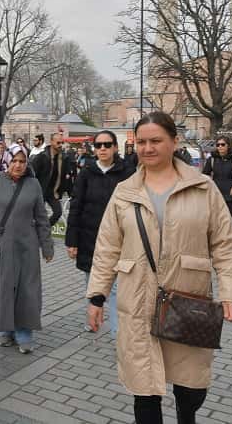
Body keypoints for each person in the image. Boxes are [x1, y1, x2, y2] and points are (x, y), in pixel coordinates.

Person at [86, 112, 232, 424]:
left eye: (155, 140)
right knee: (144, 390)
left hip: (187, 299)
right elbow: (107, 248)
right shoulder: (125, 191)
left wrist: (230, 293)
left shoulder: (202, 187)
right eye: (141, 142)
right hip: (138, 300)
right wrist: (97, 296)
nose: (147, 148)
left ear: (174, 141)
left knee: (191, 388)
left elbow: (225, 245)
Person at [0, 144, 53, 354]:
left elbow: (42, 218)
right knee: (2, 288)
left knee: (27, 289)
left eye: (22, 161)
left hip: (27, 246)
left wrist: (47, 246)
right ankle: (5, 329)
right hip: (0, 248)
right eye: (14, 161)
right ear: (6, 161)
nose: (18, 165)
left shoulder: (33, 184)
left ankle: (24, 331)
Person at [66, 130, 135, 335]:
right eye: (98, 145)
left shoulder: (128, 172)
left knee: (116, 288)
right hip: (90, 238)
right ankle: (94, 316)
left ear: (115, 147)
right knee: (93, 283)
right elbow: (76, 206)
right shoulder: (87, 172)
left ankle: (118, 333)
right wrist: (72, 240)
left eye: (107, 144)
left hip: (120, 239)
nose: (102, 149)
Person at [30, 133, 73, 227]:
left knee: (58, 212)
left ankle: (45, 229)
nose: (60, 145)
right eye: (58, 142)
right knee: (36, 215)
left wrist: (69, 192)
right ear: (52, 142)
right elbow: (32, 174)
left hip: (53, 192)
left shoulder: (64, 158)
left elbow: (66, 176)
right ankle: (34, 232)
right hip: (40, 191)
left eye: (62, 142)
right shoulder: (42, 157)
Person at [202, 135, 232, 216]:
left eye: (223, 144)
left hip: (230, 196)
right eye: (218, 145)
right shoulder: (212, 159)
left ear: (228, 145)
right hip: (216, 195)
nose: (220, 147)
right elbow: (204, 175)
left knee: (226, 220)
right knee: (216, 220)